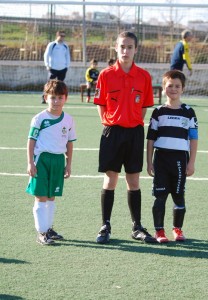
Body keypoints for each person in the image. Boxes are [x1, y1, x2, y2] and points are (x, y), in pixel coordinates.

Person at [94, 31, 156, 244]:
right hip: (113, 132)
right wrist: (110, 123)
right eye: (122, 46)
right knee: (110, 179)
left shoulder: (144, 76)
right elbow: (101, 104)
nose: (126, 50)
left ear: (136, 49)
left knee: (133, 180)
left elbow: (145, 107)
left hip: (134, 133)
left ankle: (136, 226)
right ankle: (105, 225)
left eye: (130, 47)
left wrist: (132, 121)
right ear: (116, 47)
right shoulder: (106, 75)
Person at [146, 70, 198, 243]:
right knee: (159, 197)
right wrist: (149, 162)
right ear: (163, 88)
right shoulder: (158, 112)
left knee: (178, 195)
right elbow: (151, 139)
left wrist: (191, 162)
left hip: (179, 160)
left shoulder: (189, 112)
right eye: (170, 86)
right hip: (161, 159)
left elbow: (194, 138)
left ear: (182, 89)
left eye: (177, 86)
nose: (173, 89)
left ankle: (177, 229)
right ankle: (159, 231)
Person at [26, 80, 76, 245]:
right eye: (52, 97)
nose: (56, 101)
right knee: (41, 196)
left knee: (51, 196)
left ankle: (48, 228)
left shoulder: (68, 120)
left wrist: (68, 164)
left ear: (65, 98)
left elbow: (69, 143)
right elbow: (31, 141)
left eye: (60, 97)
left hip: (57, 160)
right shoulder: (39, 118)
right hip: (41, 159)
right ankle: (41, 232)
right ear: (46, 97)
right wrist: (30, 163)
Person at [42, 30, 70, 103]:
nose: (62, 38)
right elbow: (46, 55)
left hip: (63, 68)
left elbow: (67, 56)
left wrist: (67, 66)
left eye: (64, 36)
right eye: (61, 36)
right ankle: (45, 98)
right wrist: (47, 65)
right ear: (57, 36)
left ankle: (60, 98)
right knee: (49, 84)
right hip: (53, 68)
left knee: (60, 85)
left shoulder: (65, 45)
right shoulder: (52, 44)